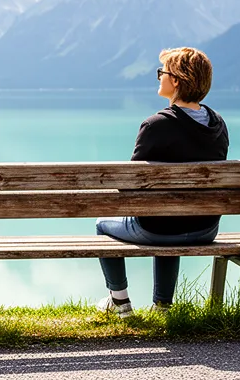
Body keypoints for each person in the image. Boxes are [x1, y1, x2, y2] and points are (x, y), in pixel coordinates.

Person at [96, 47, 229, 317]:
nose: (159, 78)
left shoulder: (156, 125)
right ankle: (163, 306)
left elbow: (130, 186)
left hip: (157, 229)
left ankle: (120, 303)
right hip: (206, 227)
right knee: (173, 215)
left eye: (163, 73)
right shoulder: (218, 125)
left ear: (176, 80)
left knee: (102, 224)